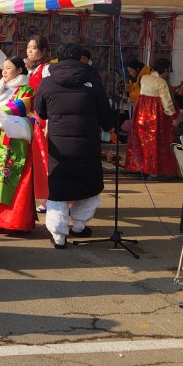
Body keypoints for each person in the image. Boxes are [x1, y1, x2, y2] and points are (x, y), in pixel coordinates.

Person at [33, 43, 114, 248]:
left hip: (58, 146)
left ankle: (59, 236)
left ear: (57, 59)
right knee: (87, 184)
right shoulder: (93, 82)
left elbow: (40, 112)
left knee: (59, 187)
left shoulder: (47, 83)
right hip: (87, 145)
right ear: (80, 59)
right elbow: (106, 116)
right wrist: (110, 127)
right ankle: (79, 226)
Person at [0, 31, 52, 211]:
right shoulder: (25, 67)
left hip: (37, 117)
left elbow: (51, 95)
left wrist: (49, 121)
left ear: (43, 51)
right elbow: (6, 64)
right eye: (28, 47)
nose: (29, 51)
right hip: (18, 120)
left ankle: (46, 198)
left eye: (33, 48)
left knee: (42, 160)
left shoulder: (46, 69)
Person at [0, 55, 36, 233]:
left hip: (12, 140)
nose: (4, 71)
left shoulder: (26, 90)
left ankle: (12, 221)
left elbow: (21, 107)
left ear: (19, 71)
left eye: (9, 68)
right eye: (3, 68)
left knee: (8, 176)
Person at [125, 58, 178, 177]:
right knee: (155, 143)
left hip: (141, 115)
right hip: (155, 117)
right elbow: (167, 103)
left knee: (141, 142)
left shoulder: (144, 78)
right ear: (164, 71)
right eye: (167, 72)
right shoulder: (161, 83)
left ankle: (140, 167)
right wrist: (173, 117)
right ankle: (153, 171)